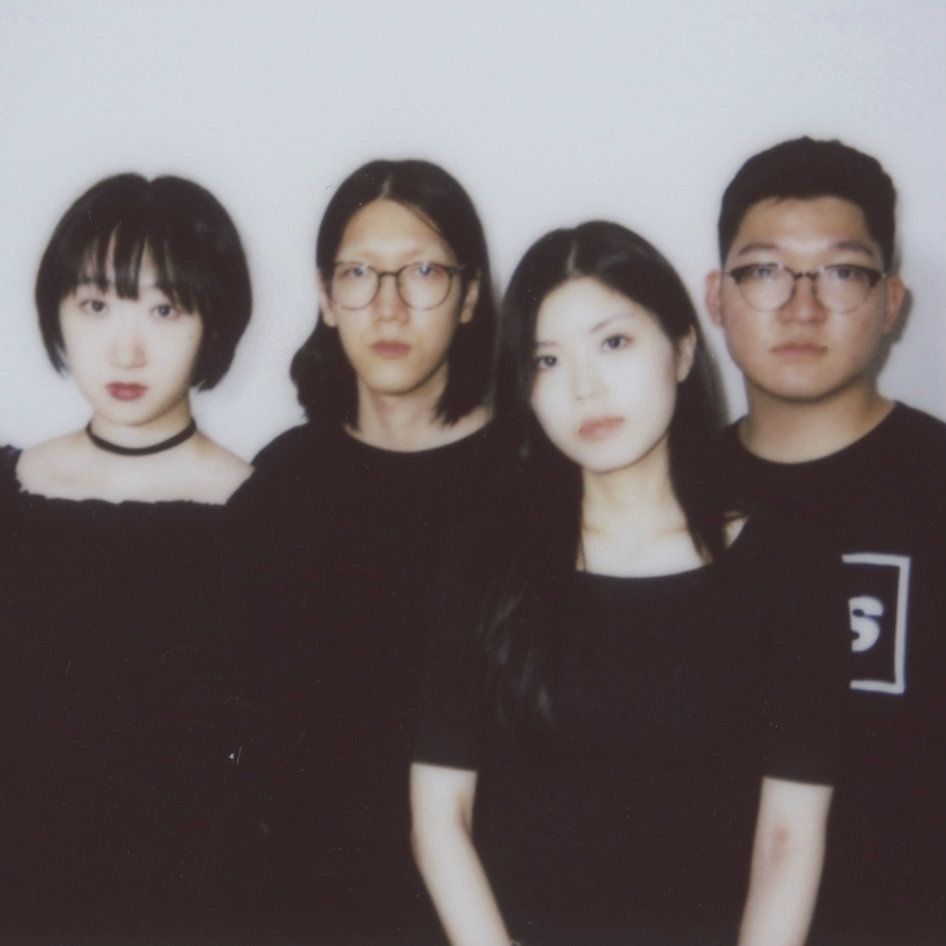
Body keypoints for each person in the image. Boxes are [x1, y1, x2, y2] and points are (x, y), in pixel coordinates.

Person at [411, 221, 848, 946]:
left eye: (613, 343)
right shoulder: (485, 560)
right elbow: (439, 817)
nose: (584, 387)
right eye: (547, 360)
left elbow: (789, 840)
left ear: (682, 349)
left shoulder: (787, 565)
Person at [238, 158, 497, 943]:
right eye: (358, 274)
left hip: (488, 907)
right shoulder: (281, 485)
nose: (388, 307)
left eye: (422, 272)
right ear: (325, 297)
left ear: (470, 296)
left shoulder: (533, 478)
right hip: (307, 908)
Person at [0, 173, 254, 944]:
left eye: (165, 309)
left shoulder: (267, 511)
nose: (126, 348)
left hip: (195, 915)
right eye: (96, 305)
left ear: (214, 320)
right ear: (57, 312)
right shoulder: (10, 491)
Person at [706, 136, 946, 945]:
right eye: (764, 272)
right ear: (716, 297)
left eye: (842, 273)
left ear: (891, 301)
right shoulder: (666, 491)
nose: (801, 308)